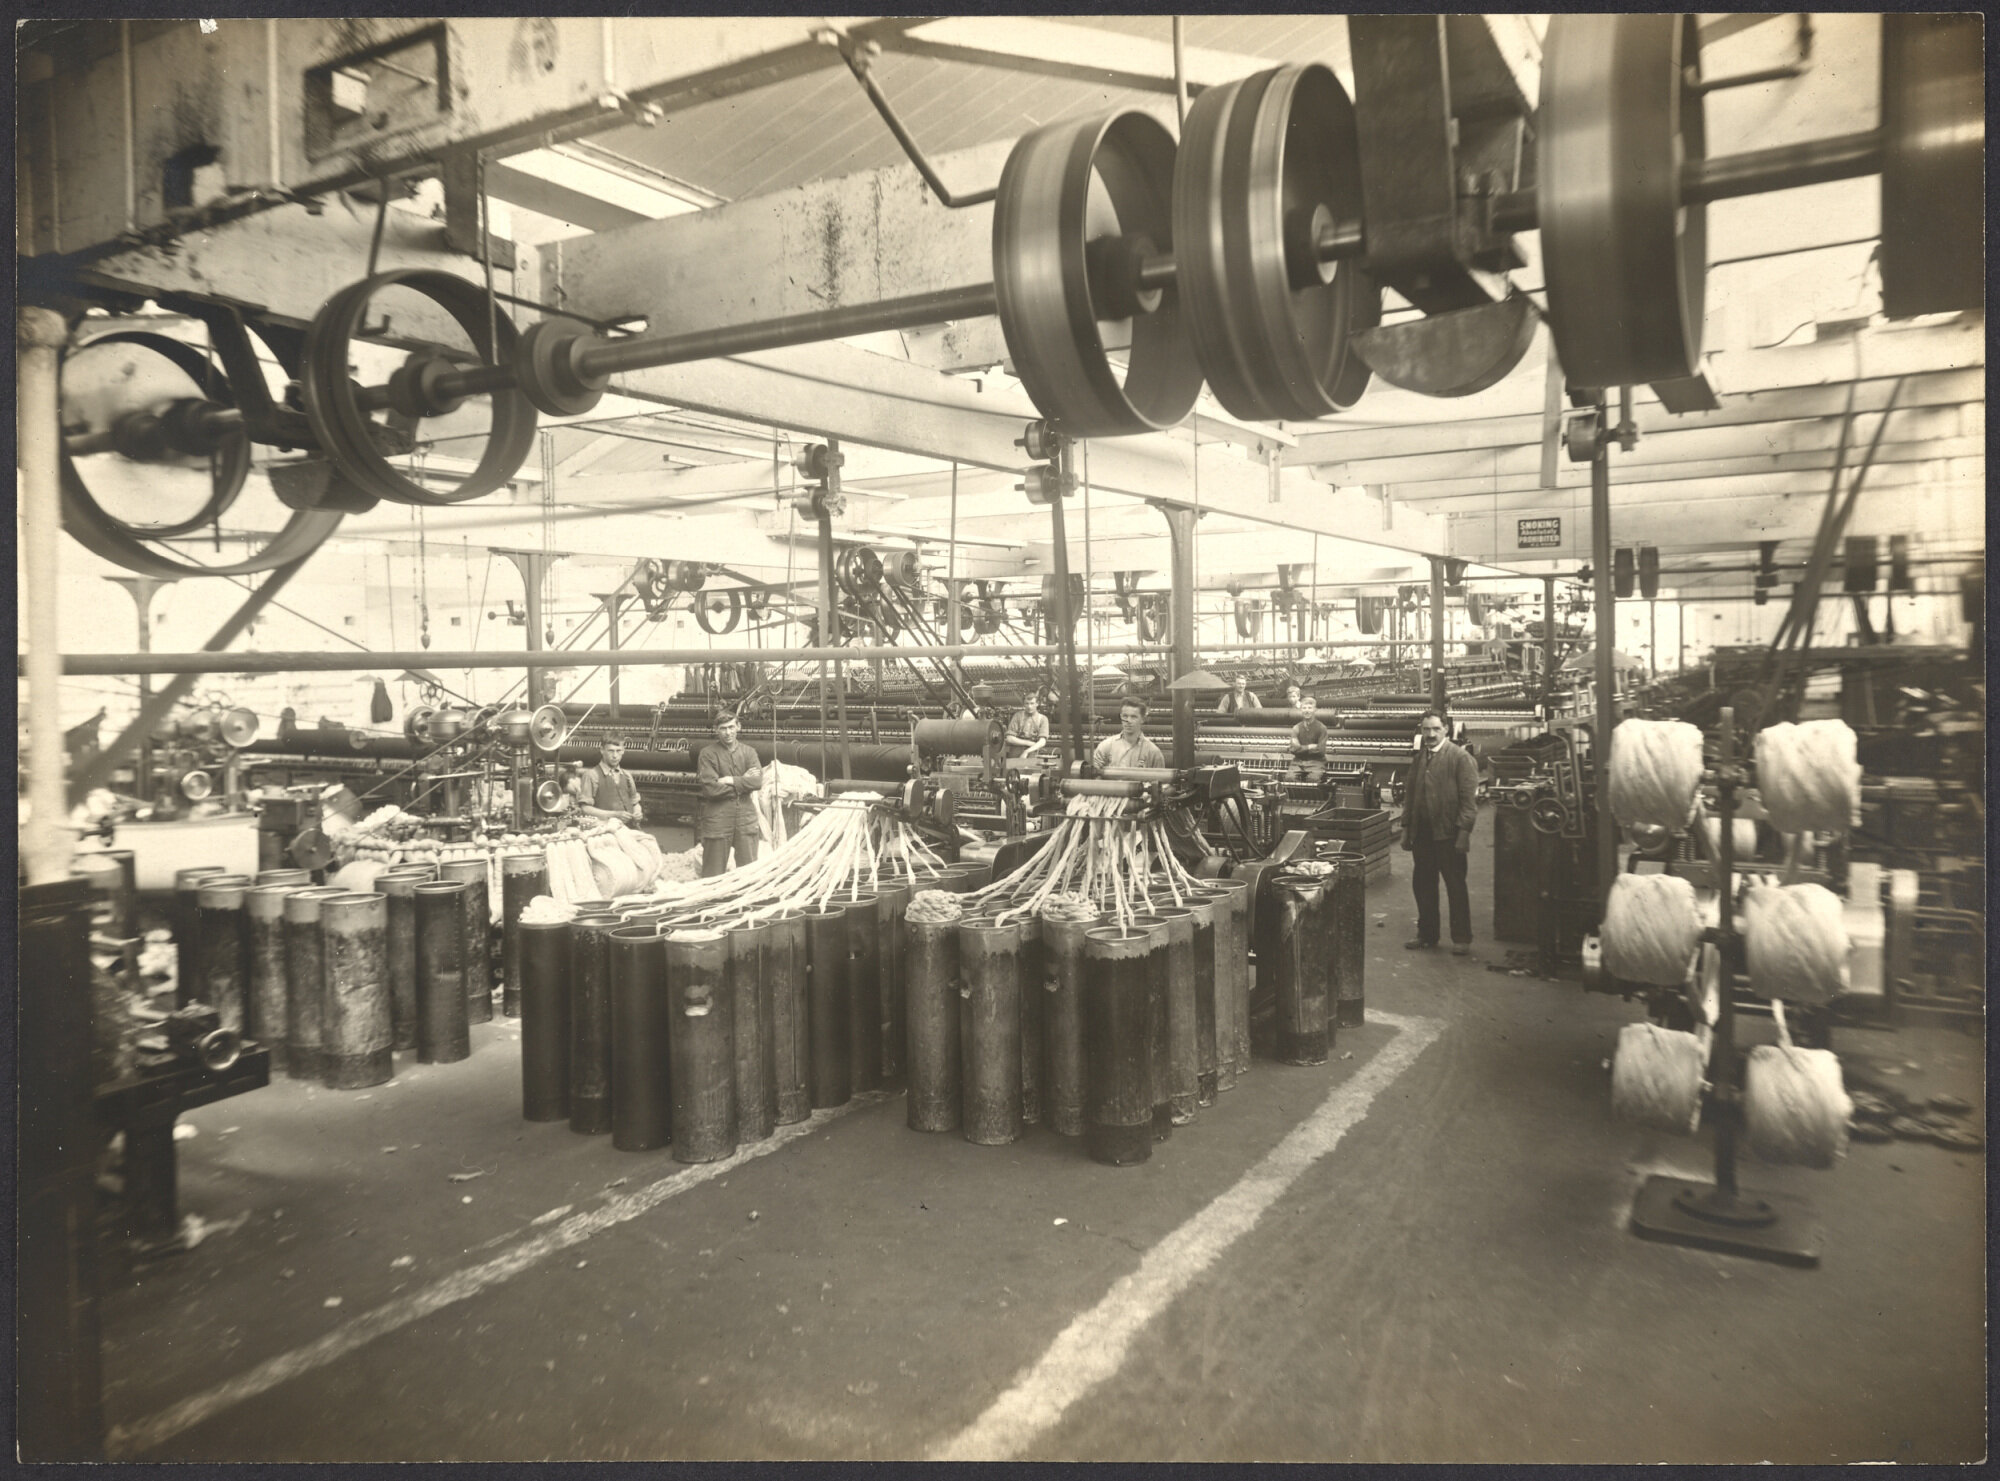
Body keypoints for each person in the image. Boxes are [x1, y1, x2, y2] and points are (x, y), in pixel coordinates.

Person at [1399, 709, 1480, 955]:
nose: (1430, 734)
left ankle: (1462, 938)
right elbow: (1410, 796)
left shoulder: (1460, 758)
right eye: (1426, 729)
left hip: (1449, 833)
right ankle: (1427, 934)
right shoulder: (1420, 758)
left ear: (1446, 729)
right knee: (1423, 884)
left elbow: (1469, 801)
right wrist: (1405, 829)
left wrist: (1464, 833)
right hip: (1422, 833)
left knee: (1455, 885)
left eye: (1435, 729)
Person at [696, 712, 764, 877]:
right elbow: (711, 789)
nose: (728, 733)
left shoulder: (749, 752)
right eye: (723, 728)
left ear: (738, 727)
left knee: (748, 872)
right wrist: (743, 782)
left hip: (745, 817)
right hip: (718, 817)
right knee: (712, 872)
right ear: (716, 730)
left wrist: (730, 780)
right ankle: (709, 902)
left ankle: (744, 902)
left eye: (731, 727)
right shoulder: (708, 754)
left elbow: (757, 782)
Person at [572, 737, 642, 826]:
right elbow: (585, 808)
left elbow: (635, 803)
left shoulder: (627, 775)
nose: (615, 755)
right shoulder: (592, 775)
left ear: (623, 751)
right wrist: (614, 815)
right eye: (611, 751)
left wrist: (637, 812)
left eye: (618, 751)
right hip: (605, 828)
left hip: (630, 828)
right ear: (602, 750)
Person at [1092, 698, 1166, 770]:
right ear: (1120, 717)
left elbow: (1160, 780)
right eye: (1125, 716)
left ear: (1143, 719)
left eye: (1133, 717)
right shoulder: (1106, 746)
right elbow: (1093, 776)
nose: (1128, 720)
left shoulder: (1153, 752)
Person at [1289, 693, 1329, 778]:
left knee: (1313, 779)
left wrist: (1301, 749)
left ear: (1315, 709)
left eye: (1310, 708)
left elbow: (1320, 750)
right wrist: (1309, 747)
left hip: (1316, 762)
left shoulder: (1322, 728)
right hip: (1298, 762)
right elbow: (1293, 749)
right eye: (1304, 708)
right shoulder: (1296, 728)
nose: (1307, 711)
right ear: (1301, 710)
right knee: (1289, 778)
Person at [1005, 692, 1050, 759]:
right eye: (1027, 703)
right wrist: (1028, 743)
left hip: (1033, 750)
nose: (1029, 706)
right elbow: (1009, 738)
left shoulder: (1043, 719)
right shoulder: (1017, 716)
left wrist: (1026, 751)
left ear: (1037, 704)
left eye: (1032, 703)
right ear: (1024, 704)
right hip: (1016, 751)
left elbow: (1042, 741)